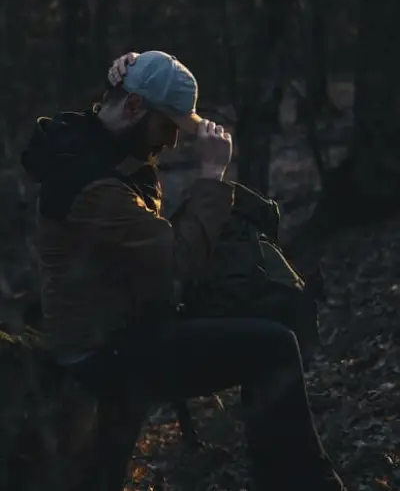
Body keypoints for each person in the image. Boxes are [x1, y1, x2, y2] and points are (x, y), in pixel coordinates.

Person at [21, 50, 347, 491]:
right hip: (101, 351)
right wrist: (212, 175)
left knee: (272, 310)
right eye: (167, 126)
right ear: (134, 107)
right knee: (273, 347)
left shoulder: (93, 141)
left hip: (123, 326)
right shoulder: (89, 185)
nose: (173, 141)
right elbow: (179, 261)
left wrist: (131, 66)